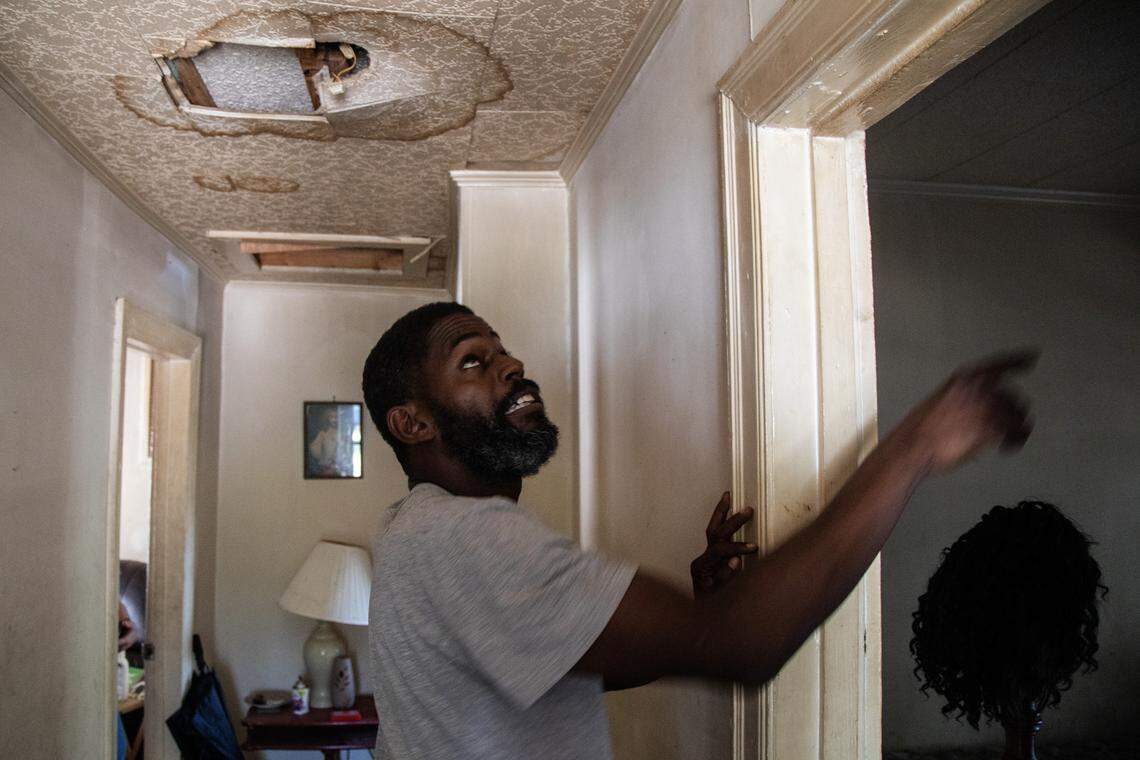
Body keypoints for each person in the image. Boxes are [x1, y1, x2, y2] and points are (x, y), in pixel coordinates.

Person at [362, 301, 1035, 760]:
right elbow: (744, 646)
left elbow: (548, 667)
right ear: (412, 423)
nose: (511, 366)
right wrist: (918, 445)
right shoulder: (465, 536)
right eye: (473, 361)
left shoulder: (410, 532)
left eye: (503, 351)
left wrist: (693, 610)